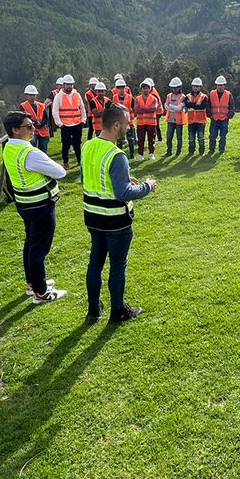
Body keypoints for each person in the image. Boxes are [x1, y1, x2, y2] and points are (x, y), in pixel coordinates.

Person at [81, 103, 158, 324]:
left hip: (92, 216)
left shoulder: (88, 146)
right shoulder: (117, 155)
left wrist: (123, 179)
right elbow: (123, 193)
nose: (128, 126)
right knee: (117, 265)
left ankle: (94, 310)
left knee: (95, 263)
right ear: (116, 125)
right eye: (126, 123)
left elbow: (88, 179)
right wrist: (147, 186)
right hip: (115, 221)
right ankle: (118, 311)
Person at [2, 111, 67, 303]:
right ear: (15, 130)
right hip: (40, 205)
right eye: (28, 126)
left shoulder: (9, 147)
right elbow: (60, 172)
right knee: (39, 250)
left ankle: (33, 284)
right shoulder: (30, 153)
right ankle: (41, 292)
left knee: (31, 244)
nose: (33, 129)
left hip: (25, 203)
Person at [52, 75, 86, 170]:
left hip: (77, 124)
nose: (69, 86)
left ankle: (80, 161)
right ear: (63, 85)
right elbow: (55, 111)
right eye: (67, 84)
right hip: (65, 125)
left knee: (77, 144)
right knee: (66, 145)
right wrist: (60, 124)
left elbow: (82, 108)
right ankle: (66, 162)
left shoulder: (77, 95)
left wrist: (83, 120)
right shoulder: (59, 96)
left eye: (70, 84)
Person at [19, 84, 52, 153]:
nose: (32, 97)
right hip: (31, 130)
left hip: (42, 130)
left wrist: (41, 124)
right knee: (32, 150)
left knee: (43, 150)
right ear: (26, 95)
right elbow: (24, 117)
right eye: (30, 95)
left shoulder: (41, 105)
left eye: (34, 95)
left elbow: (46, 118)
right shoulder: (23, 106)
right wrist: (35, 123)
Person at [133, 78, 160, 159]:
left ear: (150, 89)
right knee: (140, 140)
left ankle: (151, 153)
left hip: (151, 123)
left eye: (147, 88)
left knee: (151, 140)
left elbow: (153, 109)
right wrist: (147, 109)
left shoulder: (154, 98)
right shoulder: (138, 98)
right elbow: (137, 110)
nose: (145, 90)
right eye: (144, 88)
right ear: (141, 89)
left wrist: (143, 109)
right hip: (140, 123)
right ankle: (140, 154)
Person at [111, 77, 137, 158]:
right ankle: (119, 155)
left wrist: (131, 118)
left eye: (122, 87)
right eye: (119, 88)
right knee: (119, 140)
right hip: (119, 122)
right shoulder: (114, 97)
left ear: (125, 88)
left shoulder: (130, 97)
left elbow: (134, 109)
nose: (121, 89)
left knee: (130, 139)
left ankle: (132, 154)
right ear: (117, 89)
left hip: (129, 122)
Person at [208, 75, 233, 155]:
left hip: (224, 119)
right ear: (216, 85)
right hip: (214, 119)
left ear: (224, 85)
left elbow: (232, 107)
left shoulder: (228, 94)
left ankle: (221, 150)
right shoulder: (211, 94)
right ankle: (211, 150)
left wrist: (229, 116)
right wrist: (210, 115)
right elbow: (208, 106)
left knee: (223, 136)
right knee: (212, 136)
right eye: (218, 85)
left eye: (221, 85)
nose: (220, 87)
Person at [164, 77, 186, 157]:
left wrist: (171, 106)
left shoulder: (183, 97)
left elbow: (180, 108)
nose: (174, 89)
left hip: (179, 121)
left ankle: (178, 152)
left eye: (175, 87)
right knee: (169, 137)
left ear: (179, 87)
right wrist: (174, 108)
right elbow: (165, 106)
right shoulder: (169, 96)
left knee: (179, 137)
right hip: (170, 120)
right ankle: (169, 152)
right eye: (172, 88)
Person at [186, 78, 208, 155]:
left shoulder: (204, 96)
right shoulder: (188, 96)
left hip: (201, 121)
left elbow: (203, 106)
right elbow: (187, 104)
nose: (195, 88)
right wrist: (196, 105)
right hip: (191, 121)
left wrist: (192, 105)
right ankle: (191, 152)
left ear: (200, 87)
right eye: (194, 86)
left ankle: (202, 151)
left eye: (197, 86)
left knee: (201, 138)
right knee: (191, 138)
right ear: (192, 86)